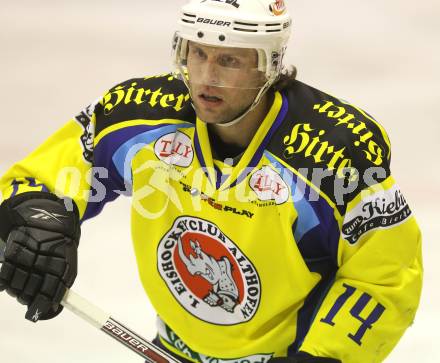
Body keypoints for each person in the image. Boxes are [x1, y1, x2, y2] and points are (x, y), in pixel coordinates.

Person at [0, 0, 422, 362]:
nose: (205, 77)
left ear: (270, 66)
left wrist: (322, 358)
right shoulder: (137, 117)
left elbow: (384, 274)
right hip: (173, 347)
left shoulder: (334, 152)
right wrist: (36, 224)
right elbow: (39, 182)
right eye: (196, 54)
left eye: (229, 61)